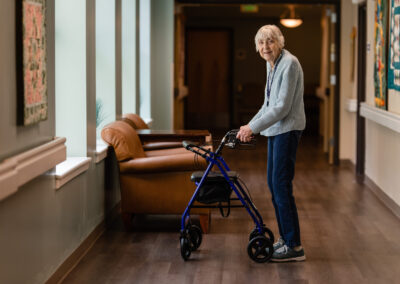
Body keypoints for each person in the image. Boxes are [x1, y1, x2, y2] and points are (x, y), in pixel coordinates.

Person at [236, 25, 306, 262]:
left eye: (270, 41)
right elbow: (268, 105)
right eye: (261, 43)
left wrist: (253, 128)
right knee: (273, 184)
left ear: (279, 42)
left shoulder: (290, 64)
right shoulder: (272, 64)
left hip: (288, 130)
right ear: (257, 47)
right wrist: (248, 126)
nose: (266, 47)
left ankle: (294, 246)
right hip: (276, 130)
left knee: (281, 186)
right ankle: (286, 239)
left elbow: (282, 107)